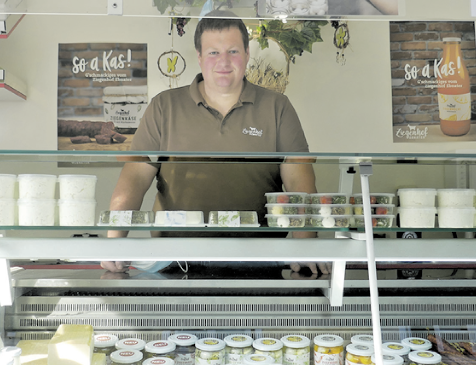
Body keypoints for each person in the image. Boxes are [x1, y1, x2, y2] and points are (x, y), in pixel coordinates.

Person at [101, 11, 327, 275]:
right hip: (175, 261)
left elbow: (300, 185)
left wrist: (306, 248)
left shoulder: (277, 107)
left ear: (246, 54)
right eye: (213, 53)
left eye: (232, 51)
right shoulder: (164, 106)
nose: (223, 62)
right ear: (199, 57)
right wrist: (114, 242)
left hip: (260, 261)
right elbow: (134, 179)